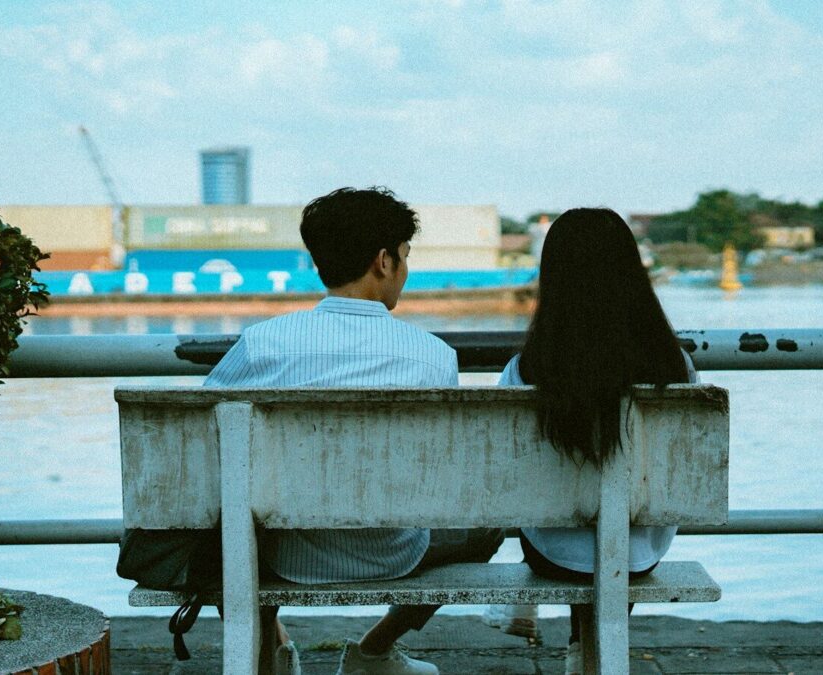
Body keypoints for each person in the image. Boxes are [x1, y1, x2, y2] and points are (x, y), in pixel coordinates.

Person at [204, 186, 501, 675]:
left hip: (283, 553)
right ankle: (375, 651)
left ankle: (268, 649)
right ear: (384, 261)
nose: (405, 271)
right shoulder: (432, 356)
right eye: (405, 257)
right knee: (486, 528)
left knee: (234, 520)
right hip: (397, 551)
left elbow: (205, 439)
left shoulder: (262, 344)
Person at [488, 208, 696, 674]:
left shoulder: (525, 369)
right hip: (640, 552)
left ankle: (584, 650)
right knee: (618, 529)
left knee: (571, 523)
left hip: (553, 555)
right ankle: (591, 651)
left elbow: (505, 473)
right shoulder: (675, 368)